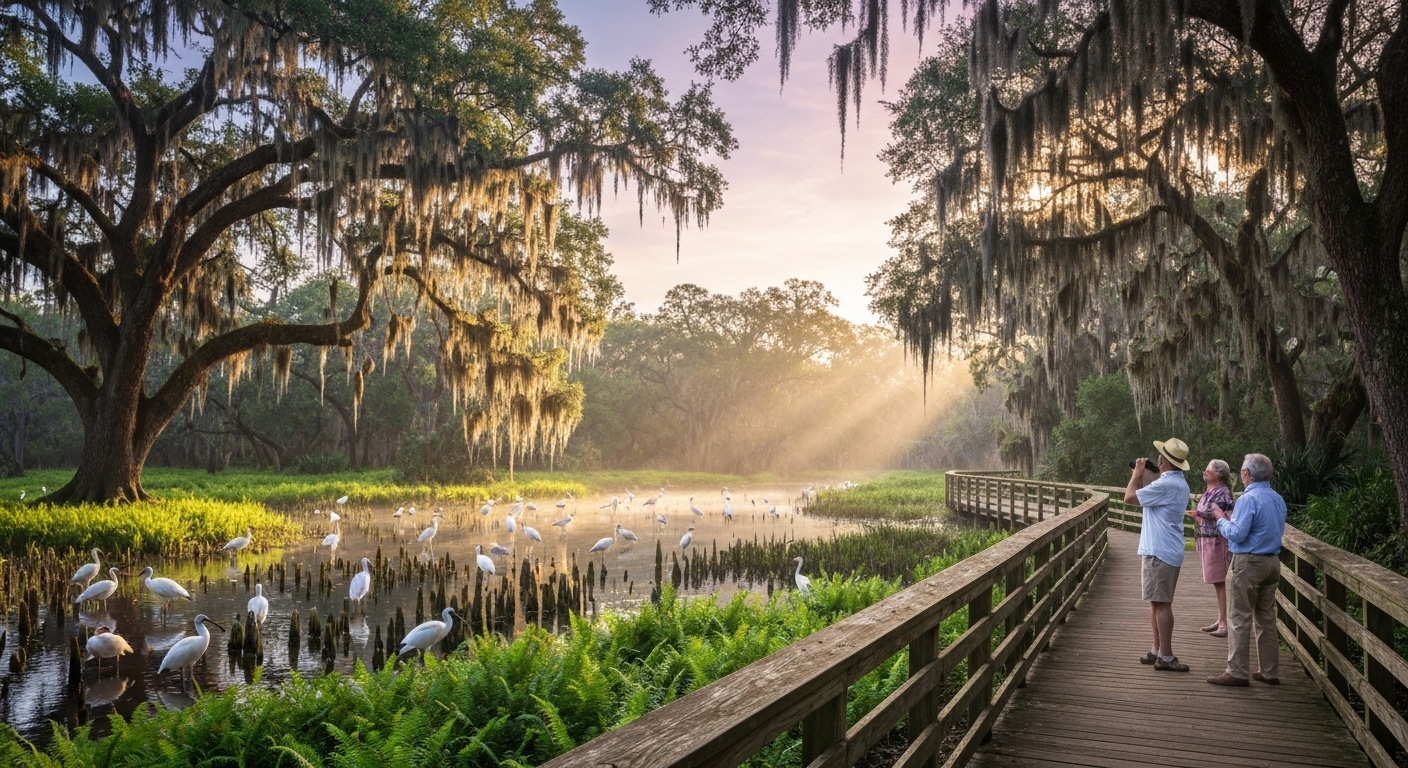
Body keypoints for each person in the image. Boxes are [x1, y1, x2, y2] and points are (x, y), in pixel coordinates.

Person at [1206, 453, 1288, 687]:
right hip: (1272, 563)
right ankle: (1269, 671)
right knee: (1266, 618)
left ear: (1246, 474)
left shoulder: (1247, 499)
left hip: (1249, 563)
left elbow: (1237, 534)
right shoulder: (1277, 498)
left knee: (1239, 616)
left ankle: (1237, 671)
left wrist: (1221, 518)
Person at [1124, 437, 1193, 672]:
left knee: (1162, 604)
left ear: (1166, 462)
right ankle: (1157, 650)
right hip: (1162, 550)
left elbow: (1129, 498)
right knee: (1155, 603)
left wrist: (1136, 474)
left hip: (1160, 552)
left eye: (1161, 456)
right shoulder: (1175, 482)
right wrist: (1146, 473)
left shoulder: (1168, 485)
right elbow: (1151, 493)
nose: (1158, 458)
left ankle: (1167, 655)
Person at [1186, 459, 1234, 637]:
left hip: (1218, 542)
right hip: (1206, 540)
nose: (1205, 472)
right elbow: (1206, 514)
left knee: (1221, 581)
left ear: (1219, 474)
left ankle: (1225, 623)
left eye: (1209, 469)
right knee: (1216, 582)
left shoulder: (1223, 493)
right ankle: (1221, 618)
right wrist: (1197, 515)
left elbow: (1227, 518)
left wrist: (1201, 514)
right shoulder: (1209, 492)